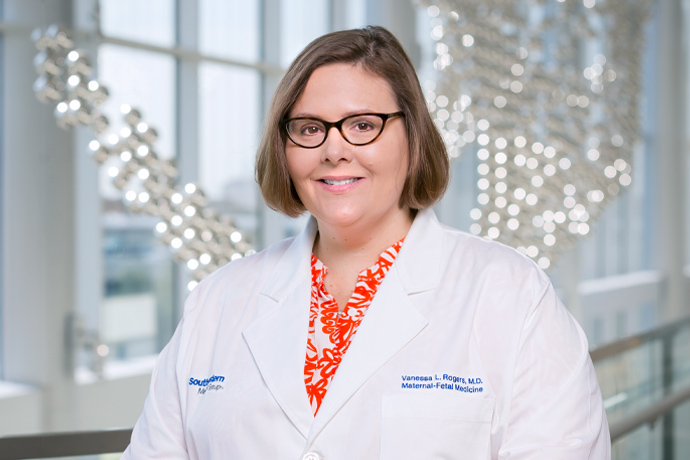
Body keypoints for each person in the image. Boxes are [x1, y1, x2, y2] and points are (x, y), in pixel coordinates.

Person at [122, 26, 610, 460]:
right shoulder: (217, 301)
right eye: (309, 128)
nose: (334, 150)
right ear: (285, 148)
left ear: (413, 138)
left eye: (362, 125)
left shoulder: (512, 295)